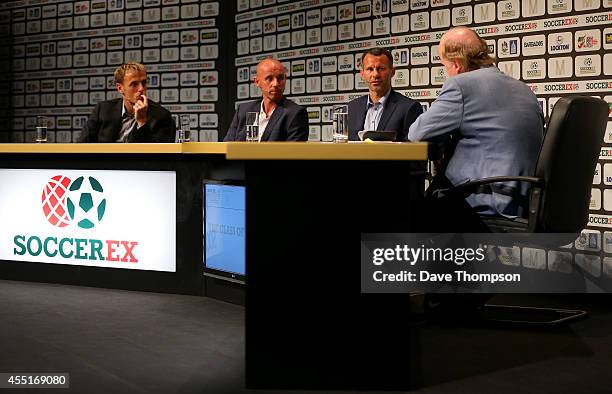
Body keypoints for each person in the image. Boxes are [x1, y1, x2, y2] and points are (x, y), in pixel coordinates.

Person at [408, 27, 544, 221]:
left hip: (482, 199)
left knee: (406, 213)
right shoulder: (523, 88)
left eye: (444, 66)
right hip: (525, 201)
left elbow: (417, 133)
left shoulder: (461, 85)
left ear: (456, 65)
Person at [78, 62, 175, 143]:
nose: (141, 89)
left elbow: (160, 157)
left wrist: (142, 123)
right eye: (134, 84)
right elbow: (82, 145)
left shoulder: (162, 116)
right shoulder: (102, 110)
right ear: (120, 88)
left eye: (144, 83)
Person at [224, 58, 309, 142]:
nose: (276, 84)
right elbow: (226, 147)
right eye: (269, 78)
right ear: (257, 82)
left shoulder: (295, 113)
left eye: (280, 78)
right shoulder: (243, 110)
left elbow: (292, 153)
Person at [348, 48, 422, 141]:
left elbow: (412, 151)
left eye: (381, 69)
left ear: (392, 72)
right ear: (362, 74)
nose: (375, 74)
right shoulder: (352, 108)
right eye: (370, 69)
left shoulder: (409, 108)